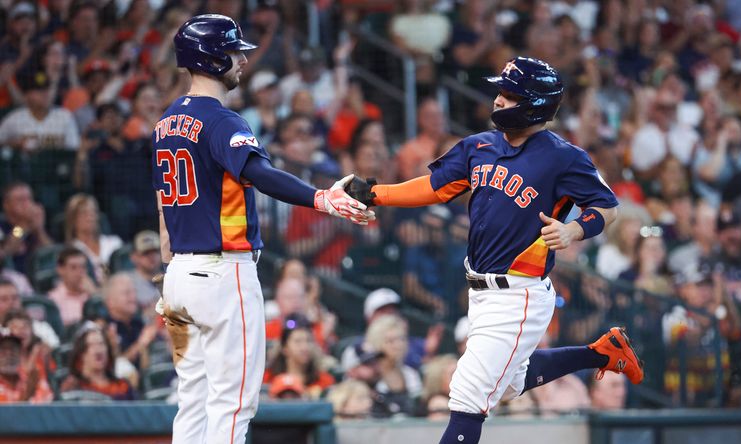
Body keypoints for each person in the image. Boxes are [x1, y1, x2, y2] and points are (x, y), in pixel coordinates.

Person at [345, 57, 643, 444]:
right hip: (481, 294)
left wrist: (574, 230)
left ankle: (601, 354)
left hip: (519, 293)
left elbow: (608, 207)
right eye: (500, 92)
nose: (499, 100)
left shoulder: (563, 157)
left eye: (510, 94)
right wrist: (376, 194)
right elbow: (434, 186)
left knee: (467, 394)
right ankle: (602, 353)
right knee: (505, 383)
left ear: (535, 103)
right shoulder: (478, 146)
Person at [154, 15, 373, 444]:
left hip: (180, 273)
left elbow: (164, 199)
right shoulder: (221, 121)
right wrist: (321, 198)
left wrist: (173, 257)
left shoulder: (166, 121)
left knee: (193, 399)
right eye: (235, 52)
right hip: (222, 272)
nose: (241, 61)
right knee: (233, 402)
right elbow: (262, 174)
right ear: (213, 59)